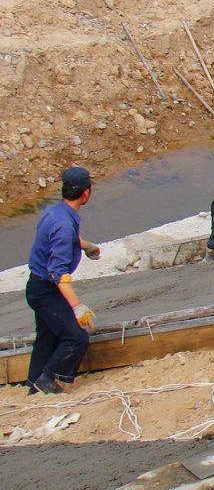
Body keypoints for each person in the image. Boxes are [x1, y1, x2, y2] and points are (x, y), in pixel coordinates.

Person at [25, 166, 100, 394]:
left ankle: (33, 385)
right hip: (46, 290)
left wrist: (85, 246)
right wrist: (78, 308)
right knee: (76, 338)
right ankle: (47, 380)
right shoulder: (64, 224)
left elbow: (64, 237)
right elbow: (58, 275)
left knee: (47, 337)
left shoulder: (55, 213)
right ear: (86, 193)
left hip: (36, 285)